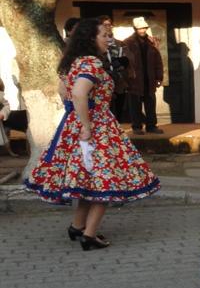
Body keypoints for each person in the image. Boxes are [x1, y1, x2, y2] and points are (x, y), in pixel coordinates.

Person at [24, 18, 160, 249]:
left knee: (88, 181)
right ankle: (90, 234)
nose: (109, 39)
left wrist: (76, 119)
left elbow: (63, 92)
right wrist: (87, 125)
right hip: (96, 128)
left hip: (75, 126)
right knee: (105, 182)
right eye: (104, 35)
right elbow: (78, 94)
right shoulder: (90, 64)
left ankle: (77, 227)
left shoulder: (73, 62)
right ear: (91, 39)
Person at [122, 17, 163, 135]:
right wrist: (126, 78)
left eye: (144, 28)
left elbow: (157, 60)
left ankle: (151, 126)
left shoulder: (151, 42)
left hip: (149, 77)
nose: (143, 30)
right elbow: (124, 62)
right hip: (134, 79)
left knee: (150, 103)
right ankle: (137, 126)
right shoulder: (128, 43)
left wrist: (159, 76)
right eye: (140, 28)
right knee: (135, 104)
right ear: (135, 28)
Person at [98, 15, 131, 122]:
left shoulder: (119, 43)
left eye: (109, 24)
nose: (108, 27)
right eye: (105, 25)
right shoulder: (97, 44)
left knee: (119, 109)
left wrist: (123, 62)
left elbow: (127, 58)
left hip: (119, 80)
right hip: (105, 81)